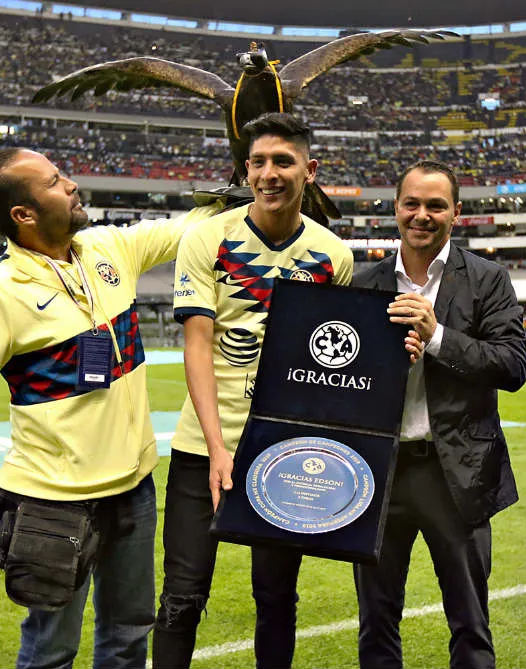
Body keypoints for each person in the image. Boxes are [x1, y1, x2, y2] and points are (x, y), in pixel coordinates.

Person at [0, 147, 222, 669]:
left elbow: (188, 228)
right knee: (51, 652)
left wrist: (244, 180)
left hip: (133, 490)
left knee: (128, 637)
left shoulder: (107, 248)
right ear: (24, 214)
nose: (72, 185)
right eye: (55, 181)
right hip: (51, 503)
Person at [153, 113, 355, 669]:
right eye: (259, 162)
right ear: (246, 170)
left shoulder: (334, 255)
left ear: (310, 171)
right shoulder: (207, 238)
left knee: (276, 597)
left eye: (283, 162)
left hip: (280, 452)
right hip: (202, 450)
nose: (270, 174)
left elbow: (328, 361)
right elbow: (197, 345)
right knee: (181, 599)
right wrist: (218, 447)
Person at [351, 159, 526, 669]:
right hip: (379, 473)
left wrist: (437, 337)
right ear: (395, 208)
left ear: (456, 213)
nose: (422, 215)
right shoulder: (364, 284)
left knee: (470, 623)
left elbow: (512, 366)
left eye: (435, 205)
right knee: (376, 621)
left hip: (456, 472)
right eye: (412, 204)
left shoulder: (487, 279)